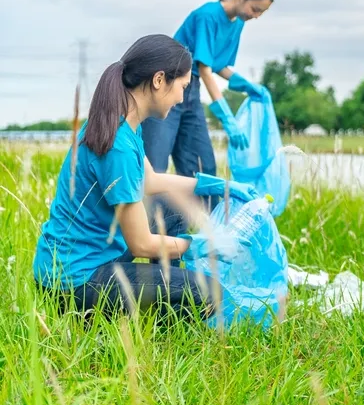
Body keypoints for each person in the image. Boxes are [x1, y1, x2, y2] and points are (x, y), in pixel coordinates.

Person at [32, 34, 259, 319]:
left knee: (173, 208)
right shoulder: (119, 146)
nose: (181, 99)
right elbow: (141, 244)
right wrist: (201, 246)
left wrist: (219, 185)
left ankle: (161, 295)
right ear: (159, 80)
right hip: (75, 283)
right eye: (183, 87)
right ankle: (154, 321)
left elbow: (150, 181)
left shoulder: (121, 123)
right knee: (211, 292)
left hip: (82, 261)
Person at [141, 0, 273, 236]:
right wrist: (227, 118)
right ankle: (145, 240)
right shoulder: (207, 16)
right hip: (166, 89)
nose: (256, 16)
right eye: (255, 9)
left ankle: (203, 239)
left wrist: (248, 85)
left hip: (191, 92)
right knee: (153, 168)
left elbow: (219, 66)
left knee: (202, 167)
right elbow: (203, 66)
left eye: (262, 13)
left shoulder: (237, 24)